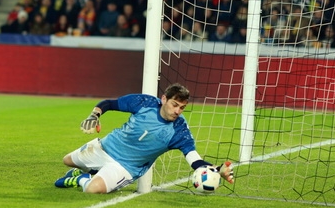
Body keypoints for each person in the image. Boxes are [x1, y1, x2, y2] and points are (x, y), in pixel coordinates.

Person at [54, 83, 234, 194]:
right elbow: (109, 103)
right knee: (67, 160)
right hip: (105, 147)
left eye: (182, 107)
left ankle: (80, 179)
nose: (177, 111)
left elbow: (195, 161)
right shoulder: (144, 103)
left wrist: (218, 170)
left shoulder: (179, 130)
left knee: (93, 189)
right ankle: (89, 171)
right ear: (164, 99)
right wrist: (94, 115)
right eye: (174, 105)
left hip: (125, 167)